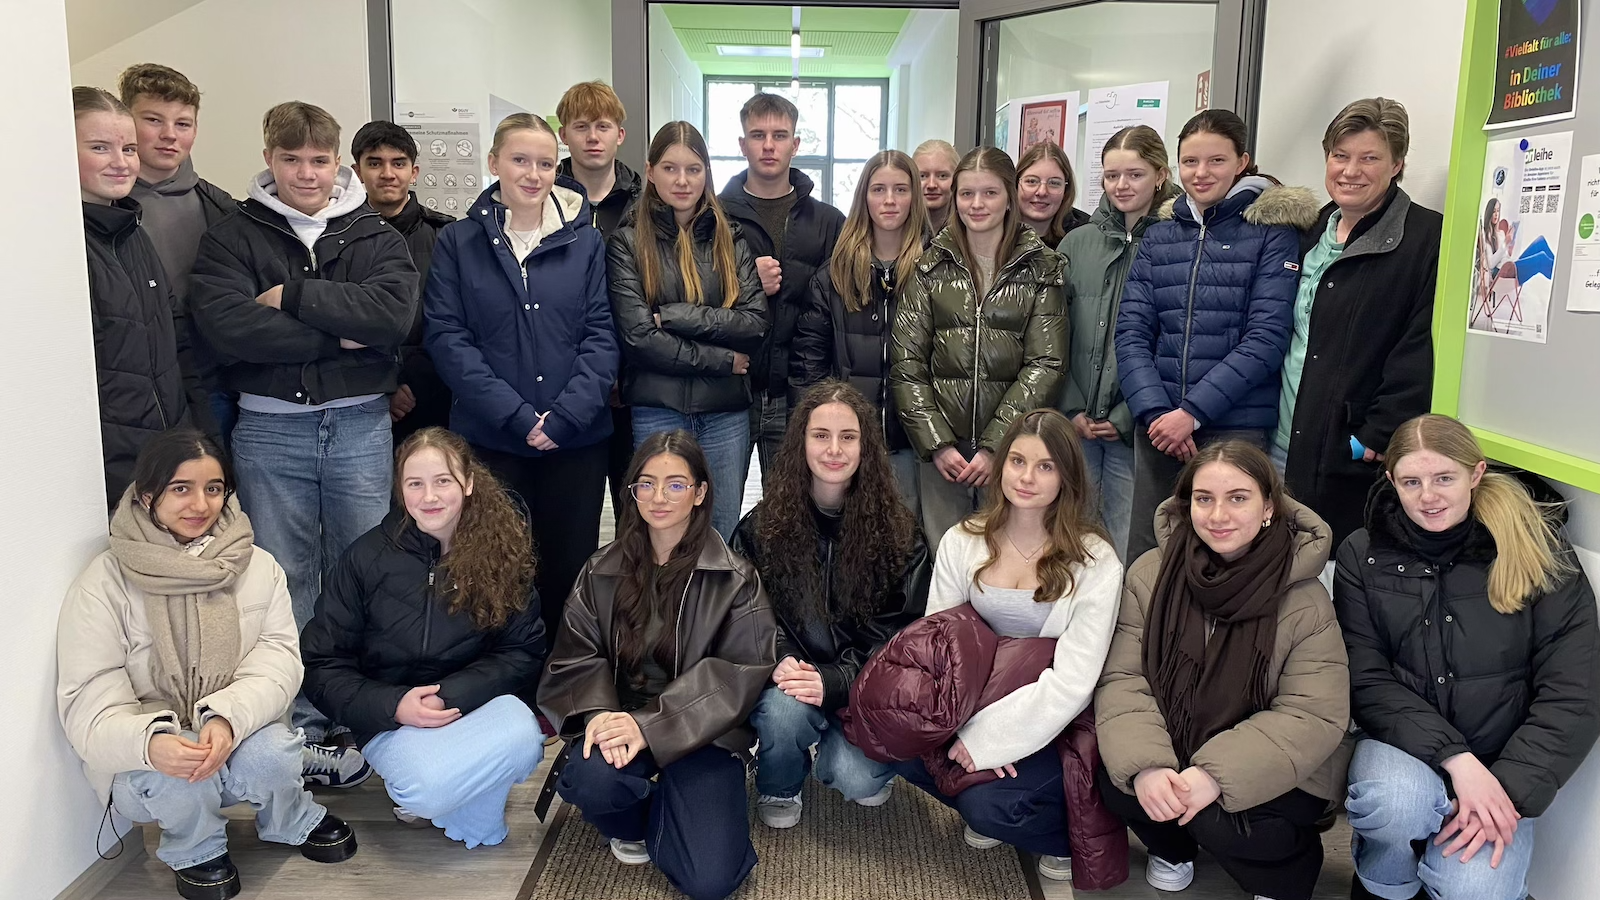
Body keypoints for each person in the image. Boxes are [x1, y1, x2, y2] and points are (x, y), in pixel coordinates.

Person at [190, 101, 418, 774]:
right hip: (268, 428)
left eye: (319, 161)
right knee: (286, 579)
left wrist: (291, 297)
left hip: (358, 425)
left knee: (364, 571)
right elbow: (227, 328)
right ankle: (306, 725)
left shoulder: (374, 233)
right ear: (269, 158)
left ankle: (364, 715)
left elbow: (395, 316)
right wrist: (345, 333)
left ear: (337, 162)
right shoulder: (234, 233)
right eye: (291, 160)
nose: (306, 174)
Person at [57, 429, 356, 900]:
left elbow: (279, 659)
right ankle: (195, 847)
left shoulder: (257, 564)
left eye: (213, 488)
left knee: (273, 754)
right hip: (149, 747)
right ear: (148, 494)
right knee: (176, 777)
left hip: (237, 724)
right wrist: (151, 742)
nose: (200, 504)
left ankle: (291, 816)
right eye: (181, 488)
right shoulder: (104, 581)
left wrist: (226, 718)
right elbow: (88, 698)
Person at [1336, 414, 1600, 900]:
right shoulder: (1363, 553)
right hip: (1403, 746)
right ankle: (1385, 887)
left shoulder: (1536, 549)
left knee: (1475, 889)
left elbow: (1575, 690)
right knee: (1396, 806)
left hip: (1503, 760)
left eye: (1444, 478)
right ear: (1391, 480)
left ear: (1475, 474)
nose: (1428, 496)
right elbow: (1365, 676)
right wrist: (1456, 759)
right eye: (1411, 481)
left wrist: (1510, 790)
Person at [1095, 440, 1350, 900]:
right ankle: (1173, 848)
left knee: (1229, 822)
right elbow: (1124, 679)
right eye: (1204, 498)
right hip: (1178, 739)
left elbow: (1313, 714)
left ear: (1269, 507)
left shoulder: (1304, 596)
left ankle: (1284, 875)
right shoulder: (1151, 574)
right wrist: (1150, 766)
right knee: (1118, 775)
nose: (1218, 515)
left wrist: (1214, 774)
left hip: (1281, 764)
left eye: (1238, 498)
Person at [540, 430, 777, 900]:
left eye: (675, 484)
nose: (659, 497)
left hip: (703, 733)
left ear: (700, 492)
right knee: (588, 781)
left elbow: (738, 674)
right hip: (620, 714)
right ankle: (643, 813)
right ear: (631, 492)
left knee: (710, 881)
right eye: (646, 484)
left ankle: (682, 803)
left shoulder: (735, 578)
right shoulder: (601, 569)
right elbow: (575, 653)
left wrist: (649, 727)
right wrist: (603, 716)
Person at [894, 409, 1121, 883]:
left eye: (1046, 466)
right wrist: (961, 730)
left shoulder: (1095, 558)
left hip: (1058, 719)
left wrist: (989, 741)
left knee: (984, 807)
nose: (1027, 477)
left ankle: (1055, 834)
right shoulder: (962, 541)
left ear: (1067, 475)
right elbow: (938, 648)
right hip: (973, 703)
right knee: (893, 742)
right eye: (1017, 461)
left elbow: (1074, 681)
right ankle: (996, 794)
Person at [300, 428, 547, 849]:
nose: (429, 497)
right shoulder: (365, 559)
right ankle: (446, 792)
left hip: (471, 706)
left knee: (527, 738)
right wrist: (394, 705)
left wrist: (449, 695)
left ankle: (455, 786)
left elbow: (522, 649)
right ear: (400, 489)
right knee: (424, 792)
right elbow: (323, 663)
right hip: (390, 719)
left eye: (443, 481)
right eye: (415, 483)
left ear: (468, 483)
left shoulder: (501, 550)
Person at [424, 112, 617, 637]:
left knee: (568, 570)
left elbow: (601, 335)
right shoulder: (458, 243)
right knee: (495, 568)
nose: (533, 174)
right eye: (520, 160)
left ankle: (564, 679)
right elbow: (447, 337)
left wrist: (564, 418)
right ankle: (505, 683)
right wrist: (515, 415)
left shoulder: (587, 242)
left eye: (546, 163)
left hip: (574, 442)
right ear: (494, 164)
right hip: (491, 441)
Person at [1115, 109, 1316, 563]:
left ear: (1242, 161)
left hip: (1234, 428)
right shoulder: (1161, 235)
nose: (1201, 174)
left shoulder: (1271, 235)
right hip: (1159, 429)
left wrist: (1193, 412)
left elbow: (1266, 339)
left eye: (1216, 161)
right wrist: (1157, 412)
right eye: (1190, 162)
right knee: (1152, 555)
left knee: (1230, 555)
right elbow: (1131, 332)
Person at [730, 381, 931, 828]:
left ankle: (836, 749)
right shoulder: (761, 527)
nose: (834, 449)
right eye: (821, 435)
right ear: (801, 442)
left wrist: (836, 679)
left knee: (857, 779)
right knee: (783, 718)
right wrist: (778, 658)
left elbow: (901, 635)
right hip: (787, 680)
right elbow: (741, 611)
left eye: (848, 436)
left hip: (863, 684)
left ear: (866, 447)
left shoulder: (900, 536)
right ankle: (780, 781)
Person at [1276, 99, 1443, 551]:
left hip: (1348, 449)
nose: (1351, 171)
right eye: (1340, 156)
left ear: (1397, 164)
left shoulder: (1427, 239)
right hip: (1279, 438)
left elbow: (1420, 344)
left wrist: (1379, 432)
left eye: (1369, 158)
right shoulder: (1308, 231)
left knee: (1335, 577)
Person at [890, 146, 1067, 552]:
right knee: (944, 557)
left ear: (1009, 197)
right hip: (942, 456)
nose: (976, 204)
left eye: (989, 193)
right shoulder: (929, 266)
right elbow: (906, 361)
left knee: (1009, 558)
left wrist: (996, 446)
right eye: (967, 193)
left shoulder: (1043, 267)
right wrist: (937, 443)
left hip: (1014, 454)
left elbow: (1046, 363)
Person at [608, 121, 766, 540]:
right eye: (670, 168)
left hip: (725, 413)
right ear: (651, 170)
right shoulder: (626, 241)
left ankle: (716, 609)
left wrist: (675, 316)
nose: (682, 180)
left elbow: (754, 323)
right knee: (660, 530)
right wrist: (724, 360)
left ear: (707, 173)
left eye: (694, 169)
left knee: (720, 529)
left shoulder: (730, 238)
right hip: (657, 409)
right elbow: (639, 339)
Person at [1058, 125, 1178, 563]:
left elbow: (1173, 337)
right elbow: (1054, 331)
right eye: (1111, 176)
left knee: (1131, 541)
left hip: (1137, 427)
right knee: (1073, 534)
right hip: (1077, 426)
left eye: (1135, 174)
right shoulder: (1077, 242)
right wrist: (1071, 406)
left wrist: (1130, 413)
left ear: (1161, 175)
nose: (1121, 186)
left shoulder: (1175, 241)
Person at [789, 150, 930, 514]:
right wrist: (825, 435)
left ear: (915, 197)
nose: (889, 200)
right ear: (863, 196)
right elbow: (809, 370)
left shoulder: (936, 272)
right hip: (848, 448)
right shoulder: (832, 276)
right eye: (878, 189)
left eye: (901, 189)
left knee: (908, 548)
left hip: (914, 447)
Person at [75, 86, 194, 511]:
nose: (121, 161)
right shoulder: (61, 247)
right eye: (99, 147)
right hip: (102, 468)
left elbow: (165, 345)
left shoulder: (131, 233)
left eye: (127, 147)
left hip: (160, 455)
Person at [719, 92, 846, 485]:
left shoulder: (829, 222)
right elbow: (692, 297)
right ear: (742, 145)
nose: (769, 145)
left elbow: (837, 313)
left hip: (799, 394)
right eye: (758, 135)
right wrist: (744, 284)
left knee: (793, 517)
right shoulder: (715, 216)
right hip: (729, 392)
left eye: (779, 135)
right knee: (716, 513)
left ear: (796, 144)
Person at [119, 64, 234, 445]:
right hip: (132, 388)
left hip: (210, 381)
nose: (169, 135)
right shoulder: (101, 208)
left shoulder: (220, 208)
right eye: (153, 120)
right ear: (125, 122)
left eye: (183, 124)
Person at [555, 80, 644, 522]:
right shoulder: (541, 202)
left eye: (603, 126)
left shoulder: (648, 204)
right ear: (563, 133)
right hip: (565, 384)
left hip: (633, 385)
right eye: (581, 126)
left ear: (619, 135)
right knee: (573, 519)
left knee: (639, 515)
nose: (593, 137)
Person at [350, 120, 457, 444]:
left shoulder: (446, 236)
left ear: (414, 172)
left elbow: (455, 322)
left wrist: (412, 383)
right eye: (374, 163)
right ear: (357, 171)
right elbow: (341, 319)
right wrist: (385, 384)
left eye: (398, 163)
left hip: (433, 398)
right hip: (359, 398)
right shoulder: (336, 238)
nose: (387, 173)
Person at [1016, 140, 1091, 248]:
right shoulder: (994, 231)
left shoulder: (1085, 235)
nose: (1042, 192)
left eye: (1054, 183)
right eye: (1032, 181)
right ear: (1016, 184)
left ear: (1066, 189)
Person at [913, 139, 960, 238]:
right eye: (922, 176)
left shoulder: (969, 231)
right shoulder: (898, 231)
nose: (931, 185)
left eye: (942, 176)